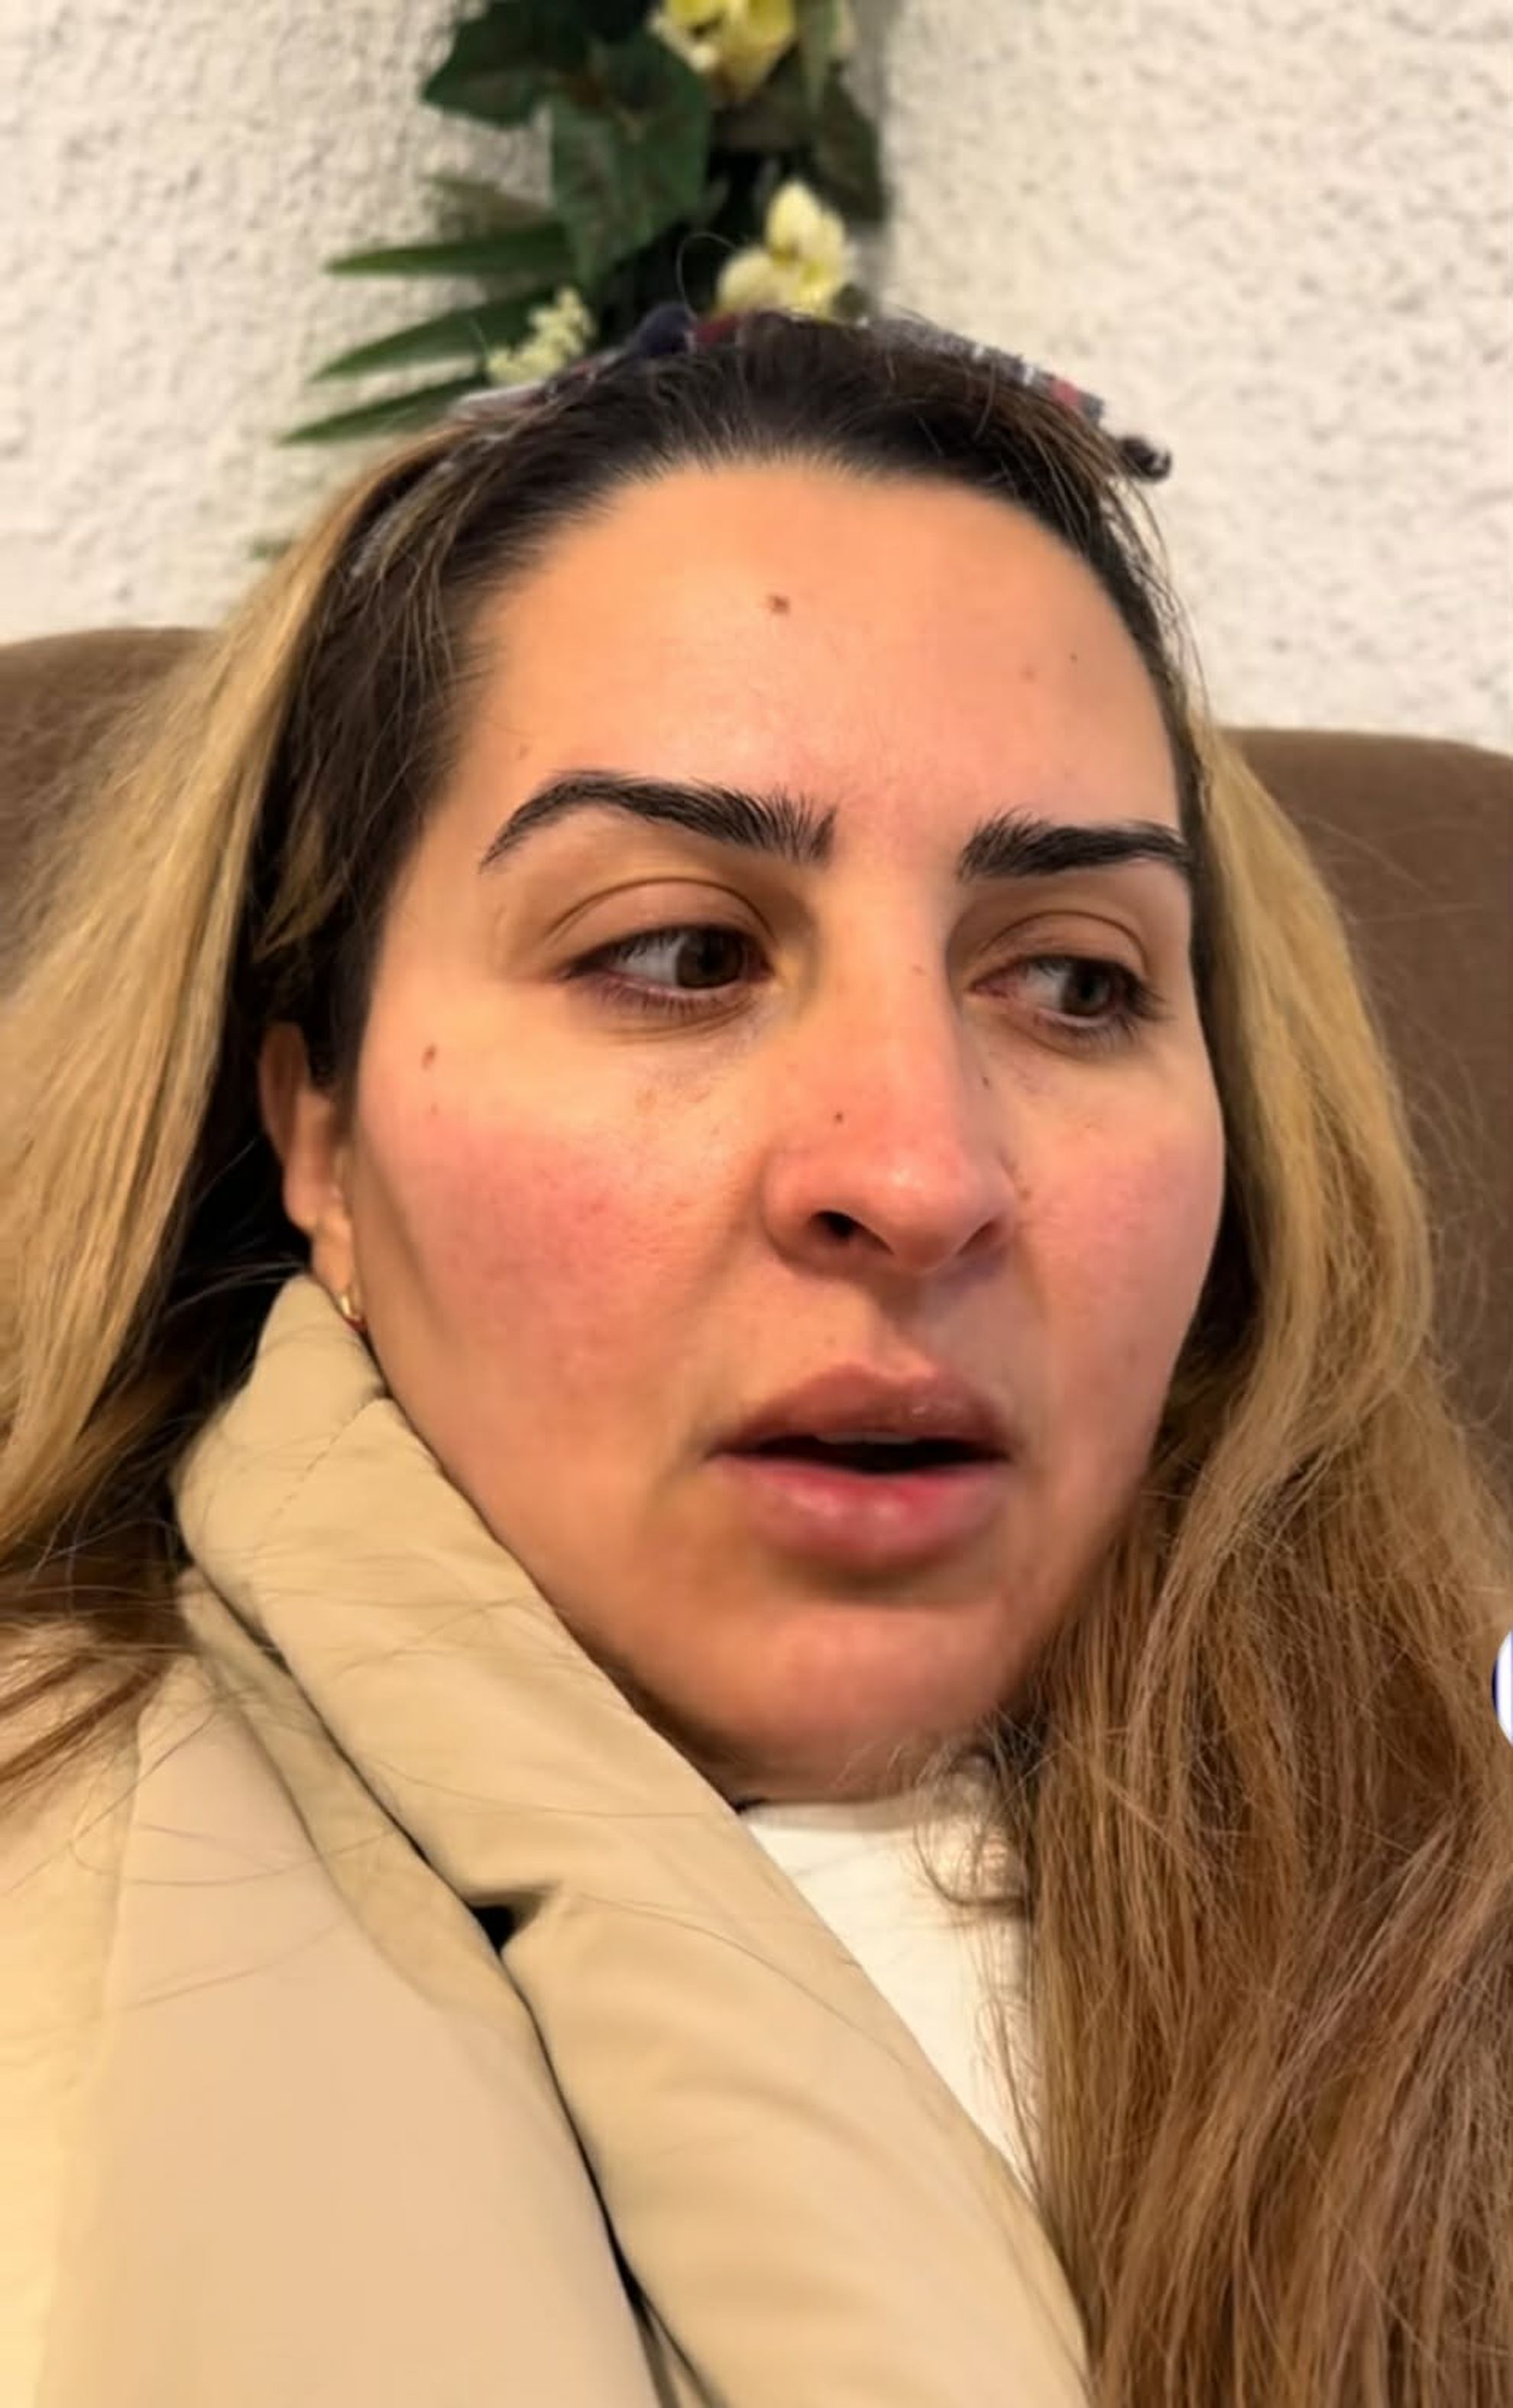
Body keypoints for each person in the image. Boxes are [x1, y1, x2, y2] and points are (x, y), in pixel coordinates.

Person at [2, 303, 1510, 2408]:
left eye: (1075, 984)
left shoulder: (1446, 1878)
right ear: (318, 1133)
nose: (916, 1175)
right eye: (678, 954)